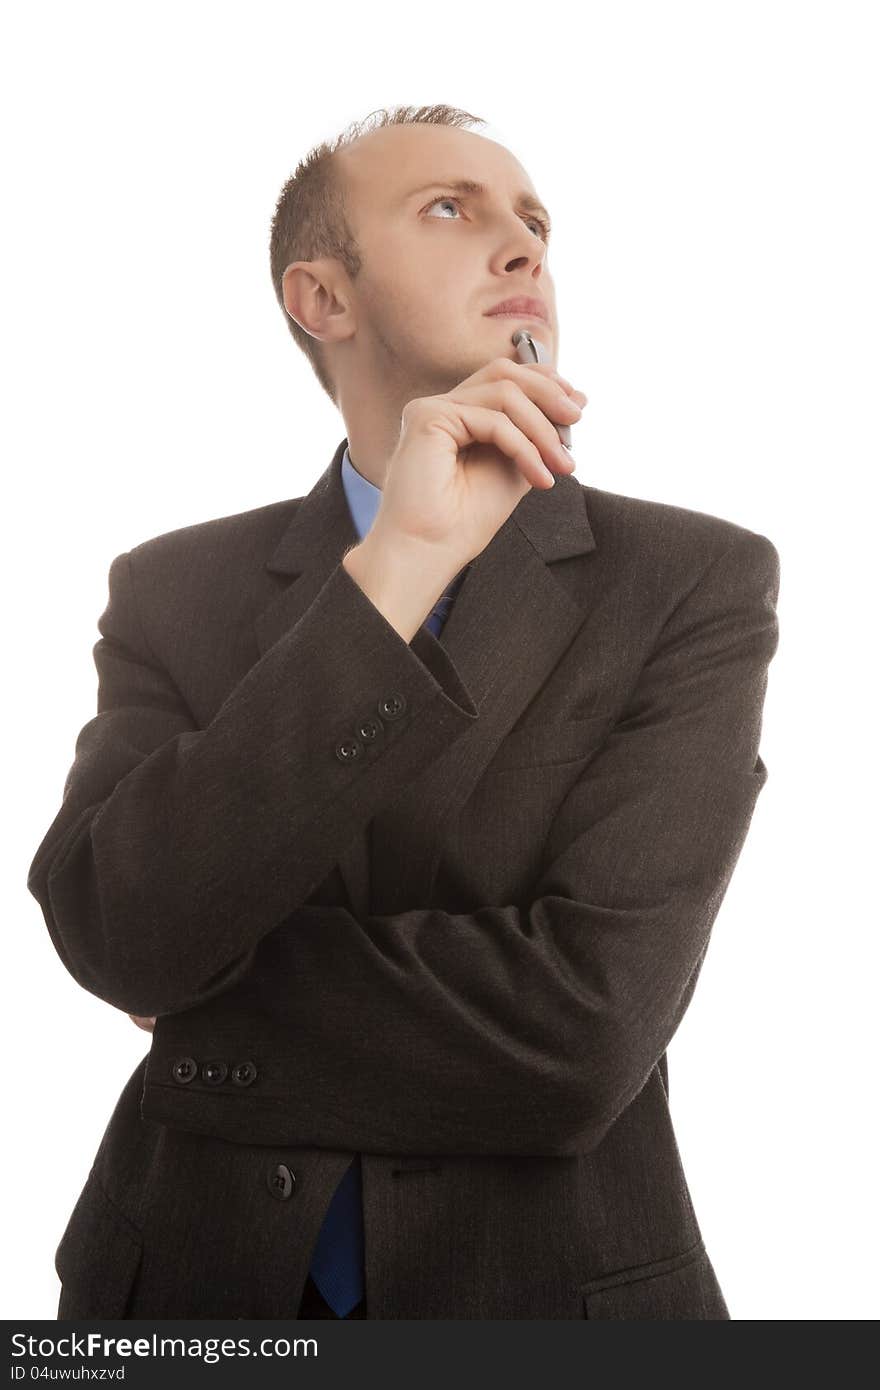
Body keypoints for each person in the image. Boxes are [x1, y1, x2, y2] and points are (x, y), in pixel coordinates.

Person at [27, 103, 780, 1320]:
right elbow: (119, 925)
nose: (524, 245)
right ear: (321, 298)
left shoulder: (690, 580)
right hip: (184, 1295)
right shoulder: (173, 589)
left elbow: (581, 1036)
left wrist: (210, 1004)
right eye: (452, 208)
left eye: (534, 223)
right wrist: (395, 571)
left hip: (553, 1293)